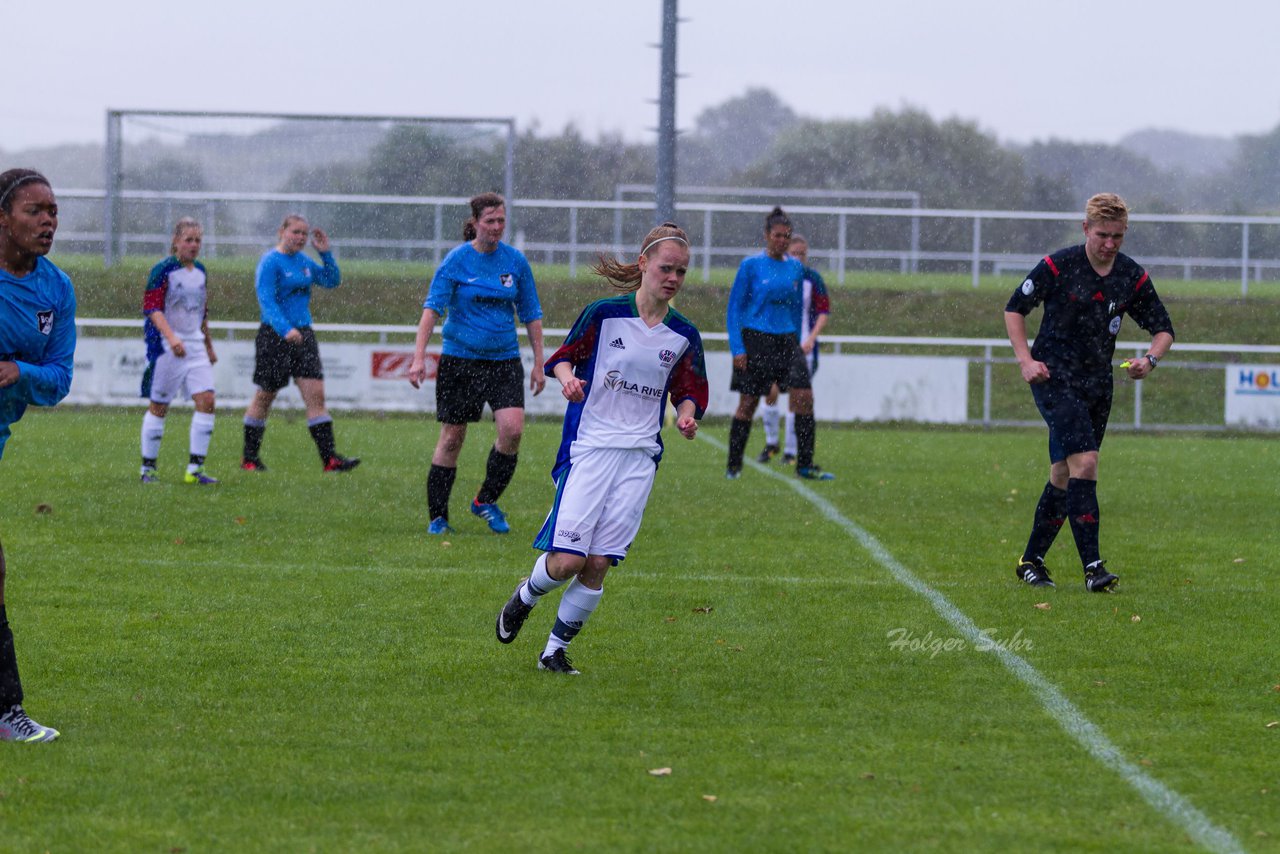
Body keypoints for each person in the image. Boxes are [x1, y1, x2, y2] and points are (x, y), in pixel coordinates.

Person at [493, 221, 708, 675]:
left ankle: (553, 651)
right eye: (666, 268)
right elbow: (565, 355)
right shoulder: (605, 313)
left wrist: (687, 414)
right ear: (644, 263)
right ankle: (525, 596)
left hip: (640, 457)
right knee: (568, 559)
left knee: (598, 563)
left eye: (682, 272)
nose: (673, 278)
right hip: (589, 448)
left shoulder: (684, 334)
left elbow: (689, 388)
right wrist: (569, 378)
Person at [1004, 192, 1174, 592]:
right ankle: (1094, 569)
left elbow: (1164, 329)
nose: (1110, 244)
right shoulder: (1058, 265)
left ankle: (1031, 561)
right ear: (1085, 229)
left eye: (1117, 236)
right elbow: (1014, 309)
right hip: (1055, 380)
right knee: (1088, 463)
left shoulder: (1131, 275)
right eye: (1102, 235)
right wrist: (1026, 360)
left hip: (1098, 384)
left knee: (1064, 473)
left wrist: (1149, 361)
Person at [407, 192, 545, 535]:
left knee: (512, 430)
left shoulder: (515, 262)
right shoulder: (456, 261)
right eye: (490, 221)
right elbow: (431, 310)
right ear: (475, 223)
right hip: (460, 360)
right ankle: (438, 517)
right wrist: (418, 357)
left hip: (504, 361)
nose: (497, 227)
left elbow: (531, 314)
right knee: (453, 437)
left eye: (501, 221)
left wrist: (540, 362)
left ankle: (485, 500)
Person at [0, 168, 74, 742]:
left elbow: (57, 380)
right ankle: (8, 711)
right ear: (2, 217)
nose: (48, 221)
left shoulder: (56, 289)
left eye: (53, 211)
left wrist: (17, 371)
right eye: (35, 210)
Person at [240, 214, 358, 473]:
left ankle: (330, 460)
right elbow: (266, 301)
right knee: (265, 396)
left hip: (303, 335)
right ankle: (249, 458)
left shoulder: (304, 261)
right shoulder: (270, 262)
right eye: (296, 232)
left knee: (316, 395)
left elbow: (331, 280)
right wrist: (285, 329)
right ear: (282, 231)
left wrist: (325, 254)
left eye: (304, 234)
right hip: (275, 336)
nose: (301, 238)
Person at [725, 206, 833, 480]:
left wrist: (796, 342)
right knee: (748, 403)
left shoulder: (795, 268)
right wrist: (738, 348)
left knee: (804, 399)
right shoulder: (750, 266)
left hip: (787, 341)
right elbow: (734, 308)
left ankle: (805, 464)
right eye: (778, 235)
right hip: (755, 339)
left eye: (787, 236)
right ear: (766, 235)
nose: (782, 240)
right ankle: (734, 464)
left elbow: (797, 308)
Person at [139, 217, 218, 484]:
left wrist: (208, 345)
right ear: (176, 241)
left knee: (207, 401)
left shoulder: (201, 272)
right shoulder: (163, 270)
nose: (194, 245)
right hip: (167, 347)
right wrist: (172, 337)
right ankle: (147, 469)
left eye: (198, 240)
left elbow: (201, 313)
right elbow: (152, 308)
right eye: (189, 239)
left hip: (195, 346)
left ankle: (195, 471)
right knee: (159, 406)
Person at [756, 233, 831, 465]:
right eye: (794, 253)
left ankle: (789, 452)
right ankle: (771, 443)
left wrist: (811, 338)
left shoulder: (813, 279)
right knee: (770, 392)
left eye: (802, 254)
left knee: (796, 399)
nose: (798, 258)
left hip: (803, 349)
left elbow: (823, 312)